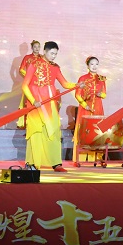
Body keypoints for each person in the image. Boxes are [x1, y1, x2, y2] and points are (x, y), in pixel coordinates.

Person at [22, 41, 76, 172]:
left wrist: (77, 85)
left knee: (53, 131)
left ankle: (56, 163)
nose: (53, 56)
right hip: (36, 104)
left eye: (55, 54)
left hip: (50, 103)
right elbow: (25, 85)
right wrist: (33, 100)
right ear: (45, 51)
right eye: (52, 53)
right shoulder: (33, 64)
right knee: (36, 132)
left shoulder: (55, 67)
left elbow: (65, 84)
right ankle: (32, 162)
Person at [72, 56, 107, 167]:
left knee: (97, 130)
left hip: (97, 107)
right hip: (85, 108)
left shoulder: (101, 78)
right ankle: (80, 158)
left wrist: (100, 94)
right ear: (88, 66)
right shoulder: (83, 78)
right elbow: (77, 95)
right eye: (92, 64)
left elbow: (105, 94)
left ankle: (97, 157)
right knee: (84, 130)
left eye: (96, 64)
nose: (94, 66)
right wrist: (85, 105)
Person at [15, 41, 43, 129]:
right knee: (28, 103)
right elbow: (21, 69)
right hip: (29, 84)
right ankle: (27, 126)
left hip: (40, 85)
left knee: (40, 103)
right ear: (32, 48)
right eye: (35, 47)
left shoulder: (42, 58)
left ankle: (39, 125)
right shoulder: (27, 57)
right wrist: (29, 76)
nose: (37, 48)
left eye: (38, 47)